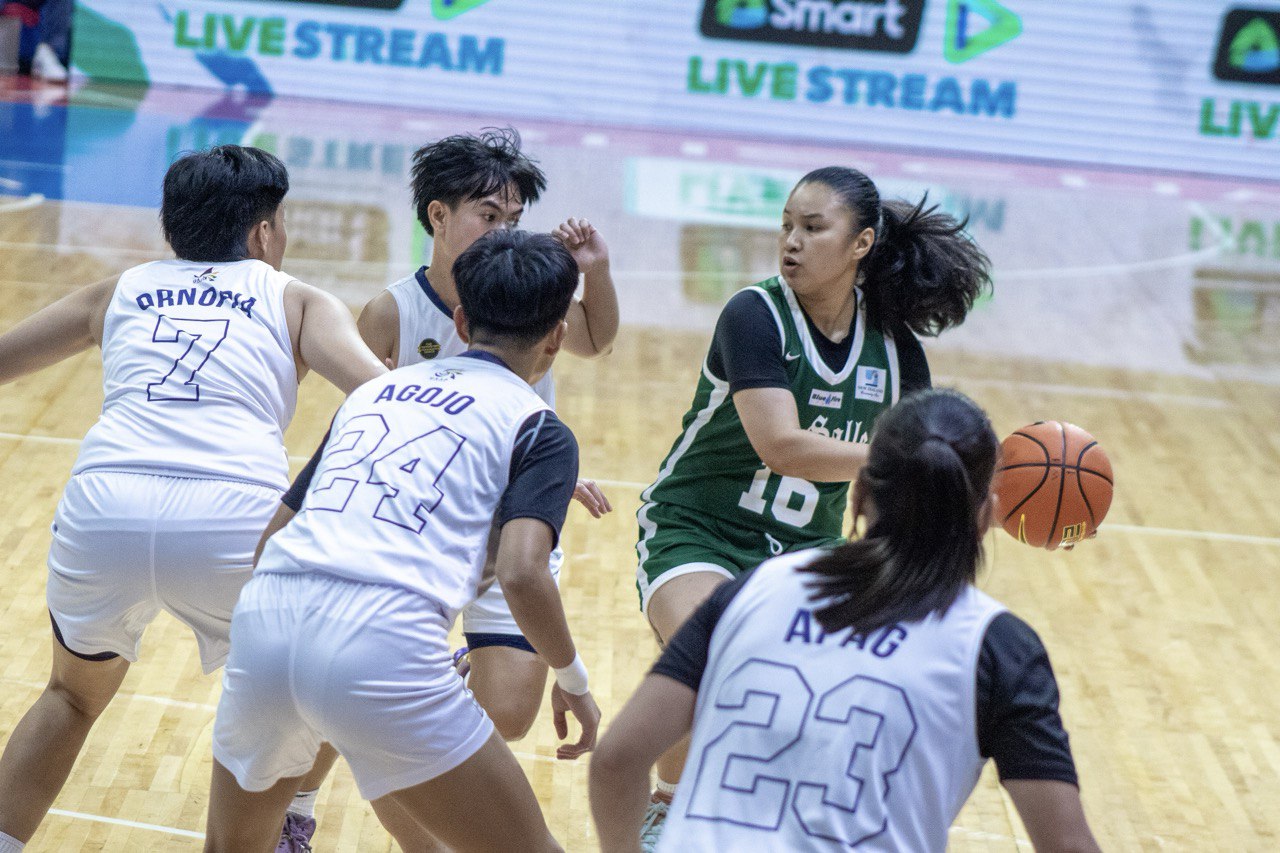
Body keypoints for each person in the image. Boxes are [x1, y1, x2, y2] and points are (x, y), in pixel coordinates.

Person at [0, 144, 388, 852]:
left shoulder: (118, 290)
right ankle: (283, 825)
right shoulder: (297, 298)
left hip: (103, 508)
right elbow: (383, 400)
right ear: (264, 233)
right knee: (294, 698)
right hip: (236, 519)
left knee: (69, 696)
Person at [272, 126, 618, 851]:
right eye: (488, 216)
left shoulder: (533, 293)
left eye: (512, 221)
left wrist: (545, 469)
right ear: (437, 216)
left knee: (510, 715)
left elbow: (593, 339)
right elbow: (364, 430)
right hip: (416, 527)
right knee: (368, 690)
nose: (502, 231)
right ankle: (301, 799)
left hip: (511, 528)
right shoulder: (392, 312)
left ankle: (432, 690)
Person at [204, 229, 600, 853]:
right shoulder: (540, 428)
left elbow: (277, 531)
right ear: (556, 336)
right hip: (383, 638)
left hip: (267, 615)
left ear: (463, 321)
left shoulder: (371, 393)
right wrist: (575, 681)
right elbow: (526, 574)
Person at [631, 165, 991, 846]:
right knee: (712, 654)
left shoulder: (897, 353)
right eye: (786, 227)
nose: (791, 242)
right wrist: (905, 452)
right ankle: (666, 806)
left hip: (808, 553)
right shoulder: (754, 313)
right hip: (699, 527)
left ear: (861, 243)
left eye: (812, 227)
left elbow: (899, 490)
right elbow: (782, 446)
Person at [592, 388, 1102, 853]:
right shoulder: (998, 646)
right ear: (987, 516)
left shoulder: (753, 590)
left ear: (857, 496)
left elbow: (616, 760)